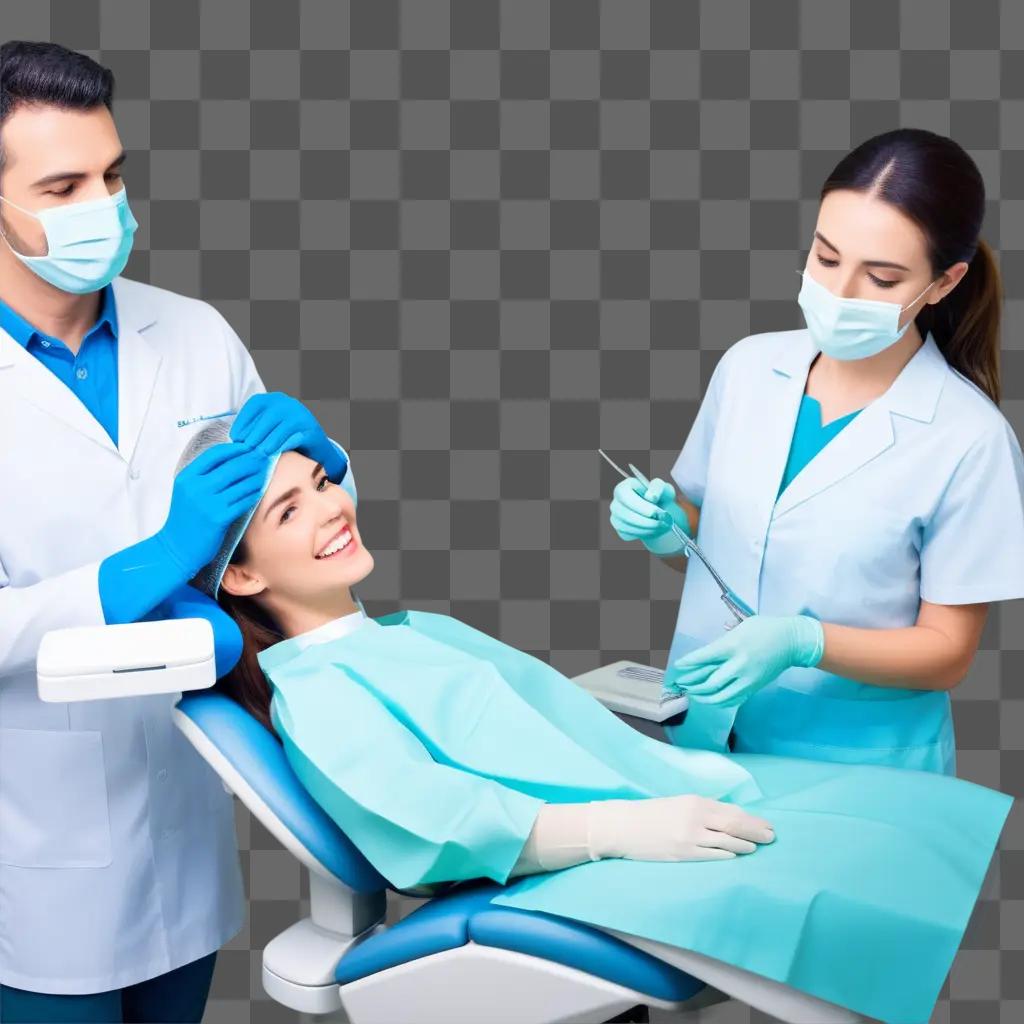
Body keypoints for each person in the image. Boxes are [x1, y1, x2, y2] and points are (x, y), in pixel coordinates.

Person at [171, 421, 1010, 1024]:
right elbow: (433, 823)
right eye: (287, 512)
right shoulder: (315, 692)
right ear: (239, 577)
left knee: (899, 820)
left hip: (646, 793)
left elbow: (504, 720)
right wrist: (622, 825)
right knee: (843, 901)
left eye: (321, 483)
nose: (329, 508)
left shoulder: (405, 632)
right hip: (572, 854)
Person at [0, 41, 350, 1024]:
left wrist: (323, 462)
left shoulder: (190, 331)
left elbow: (276, 541)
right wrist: (141, 570)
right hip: (35, 852)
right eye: (63, 186)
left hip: (190, 821)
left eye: (112, 175)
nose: (103, 208)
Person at [609, 127, 1024, 774]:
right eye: (827, 259)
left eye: (882, 277)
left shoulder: (969, 441)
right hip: (705, 740)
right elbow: (717, 540)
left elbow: (948, 652)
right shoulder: (749, 368)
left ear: (943, 284)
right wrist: (668, 530)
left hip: (859, 768)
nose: (840, 293)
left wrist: (806, 642)